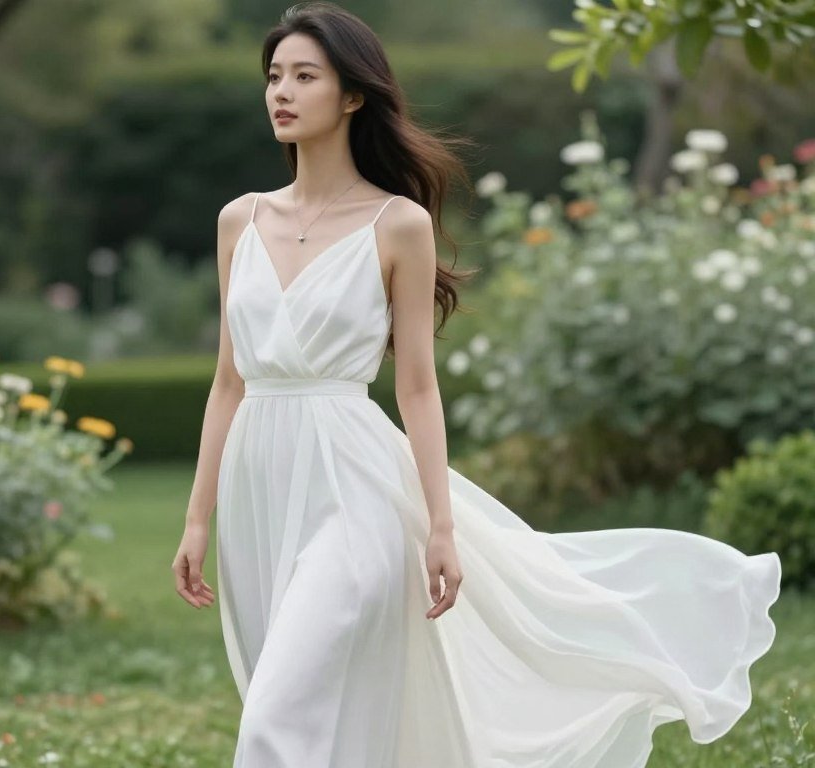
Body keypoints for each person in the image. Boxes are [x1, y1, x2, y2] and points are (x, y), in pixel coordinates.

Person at [170, 3, 783, 766]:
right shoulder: (240, 221)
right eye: (273, 77)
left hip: (353, 487)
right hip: (259, 487)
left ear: (354, 95)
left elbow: (418, 388)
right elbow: (228, 382)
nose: (280, 93)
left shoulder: (397, 225)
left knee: (275, 712)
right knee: (311, 702)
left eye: (304, 76)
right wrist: (199, 519)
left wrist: (439, 525)